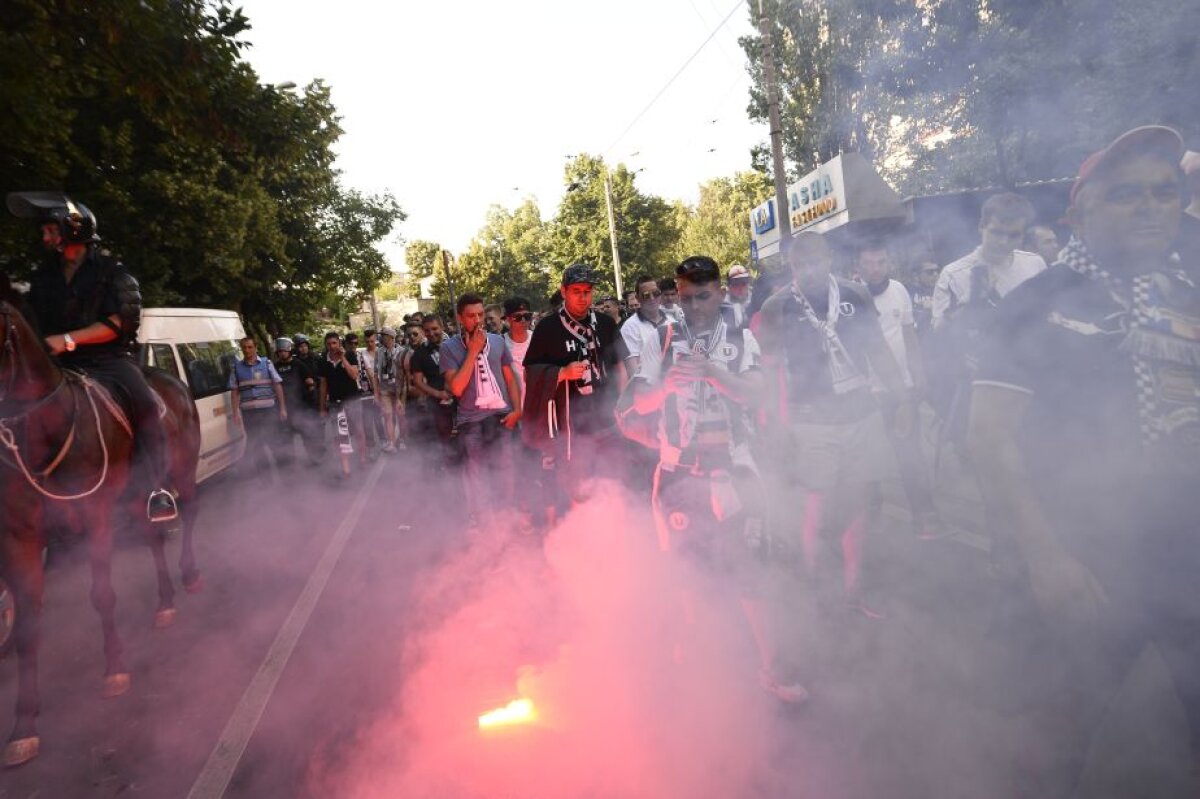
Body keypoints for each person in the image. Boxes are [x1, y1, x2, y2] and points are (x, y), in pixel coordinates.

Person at [969, 125, 1200, 792]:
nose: (1152, 207)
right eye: (1127, 195)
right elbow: (989, 437)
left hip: (1187, 554)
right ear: (1080, 212)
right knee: (1055, 739)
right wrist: (1045, 556)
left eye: (1165, 193)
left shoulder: (1189, 289)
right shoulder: (1034, 304)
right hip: (1087, 559)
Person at [628, 255, 807, 704]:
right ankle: (705, 667)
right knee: (690, 575)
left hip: (735, 471)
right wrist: (666, 384)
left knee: (752, 571)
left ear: (720, 293)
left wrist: (710, 371)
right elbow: (638, 405)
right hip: (677, 474)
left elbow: (755, 393)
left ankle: (771, 668)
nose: (694, 306)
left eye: (704, 296)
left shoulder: (740, 336)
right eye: (685, 297)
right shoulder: (661, 338)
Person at [758, 232, 913, 618]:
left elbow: (878, 349)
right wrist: (774, 424)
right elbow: (772, 372)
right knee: (818, 503)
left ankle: (854, 588)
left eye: (817, 261)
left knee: (860, 500)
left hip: (860, 412)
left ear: (830, 260)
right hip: (810, 419)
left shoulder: (854, 296)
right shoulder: (776, 307)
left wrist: (904, 398)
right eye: (800, 264)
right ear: (791, 267)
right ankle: (813, 587)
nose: (810, 270)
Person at [12, 192, 176, 520]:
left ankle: (156, 489)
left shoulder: (112, 271)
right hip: (57, 363)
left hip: (109, 362)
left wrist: (68, 339)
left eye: (49, 230)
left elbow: (121, 322)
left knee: (144, 403)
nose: (44, 236)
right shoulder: (43, 276)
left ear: (72, 230)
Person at [522, 263, 625, 524]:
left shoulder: (604, 323)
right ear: (564, 291)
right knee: (577, 487)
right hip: (570, 426)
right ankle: (578, 540)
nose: (583, 297)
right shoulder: (548, 328)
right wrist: (562, 373)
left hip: (606, 418)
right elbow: (529, 372)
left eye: (588, 291)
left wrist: (624, 403)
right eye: (576, 291)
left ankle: (616, 535)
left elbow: (619, 366)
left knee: (612, 480)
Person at [855, 244, 941, 539]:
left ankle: (925, 517)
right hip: (866, 394)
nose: (876, 268)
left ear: (888, 262)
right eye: (869, 263)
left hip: (900, 390)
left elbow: (909, 334)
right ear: (860, 266)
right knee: (867, 460)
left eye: (881, 261)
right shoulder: (850, 297)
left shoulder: (900, 291)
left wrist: (919, 375)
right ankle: (873, 517)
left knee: (910, 454)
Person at [441, 294, 522, 525]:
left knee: (507, 469)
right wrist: (473, 351)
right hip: (471, 422)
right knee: (477, 476)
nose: (477, 320)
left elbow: (510, 378)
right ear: (460, 318)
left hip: (500, 415)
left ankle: (506, 517)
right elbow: (456, 388)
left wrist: (517, 410)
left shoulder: (497, 341)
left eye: (480, 315)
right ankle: (485, 524)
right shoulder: (449, 348)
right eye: (470, 316)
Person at [229, 336, 288, 478]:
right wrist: (235, 413)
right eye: (244, 348)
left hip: (268, 410)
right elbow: (234, 391)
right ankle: (264, 479)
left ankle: (286, 476)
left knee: (274, 441)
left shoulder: (266, 364)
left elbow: (277, 385)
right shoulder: (236, 368)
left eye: (250, 347)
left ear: (256, 347)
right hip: (249, 413)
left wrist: (282, 408)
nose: (247, 350)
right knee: (256, 444)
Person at [317, 331, 364, 478]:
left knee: (358, 431)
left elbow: (354, 375)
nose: (332, 346)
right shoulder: (323, 361)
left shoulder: (350, 355)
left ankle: (362, 457)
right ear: (326, 345)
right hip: (335, 403)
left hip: (352, 400)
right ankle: (346, 468)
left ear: (339, 343)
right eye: (329, 344)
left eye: (334, 343)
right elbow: (323, 385)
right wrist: (322, 407)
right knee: (340, 435)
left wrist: (342, 358)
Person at [410, 314, 455, 461]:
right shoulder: (419, 354)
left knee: (466, 434)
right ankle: (447, 469)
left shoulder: (456, 345)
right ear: (423, 331)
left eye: (435, 329)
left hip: (462, 399)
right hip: (437, 403)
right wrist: (438, 393)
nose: (431, 333)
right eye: (427, 330)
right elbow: (417, 381)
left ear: (442, 328)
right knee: (444, 438)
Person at [620, 274, 670, 385]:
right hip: (648, 391)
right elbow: (633, 371)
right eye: (646, 295)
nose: (652, 298)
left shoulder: (672, 322)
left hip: (675, 388)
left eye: (656, 293)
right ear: (638, 298)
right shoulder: (630, 327)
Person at [376, 326, 406, 453]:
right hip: (385, 388)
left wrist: (402, 393)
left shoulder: (402, 351)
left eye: (383, 335)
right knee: (388, 416)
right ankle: (391, 443)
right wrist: (376, 391)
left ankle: (403, 440)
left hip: (399, 387)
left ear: (390, 337)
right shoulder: (379, 352)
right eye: (381, 335)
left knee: (401, 415)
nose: (381, 337)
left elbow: (405, 372)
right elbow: (375, 372)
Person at [502, 297, 533, 405]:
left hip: (537, 407)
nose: (523, 320)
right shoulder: (500, 344)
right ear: (508, 319)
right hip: (513, 408)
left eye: (527, 316)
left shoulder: (539, 339)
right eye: (517, 317)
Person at [722, 263, 753, 328]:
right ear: (729, 286)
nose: (740, 288)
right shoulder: (722, 306)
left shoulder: (755, 301)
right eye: (735, 284)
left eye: (744, 283)